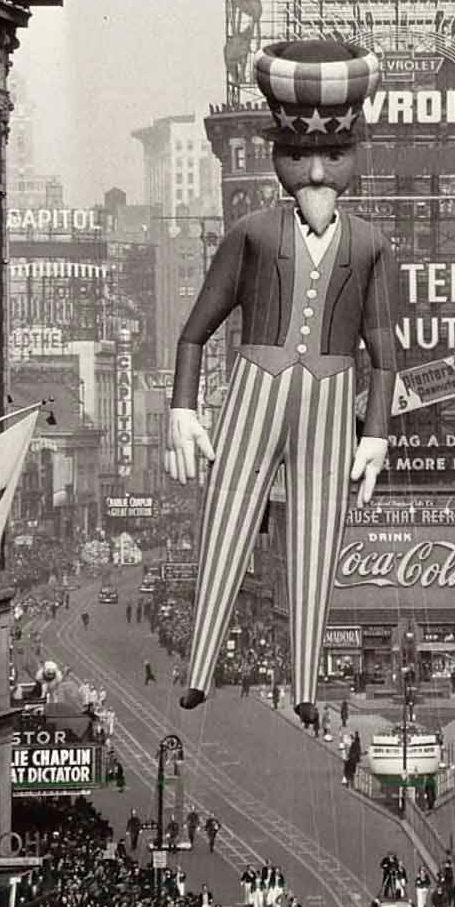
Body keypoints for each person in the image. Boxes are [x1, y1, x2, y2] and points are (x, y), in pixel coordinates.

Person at [167, 41, 398, 727]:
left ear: (356, 152)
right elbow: (195, 330)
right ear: (279, 154)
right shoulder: (252, 233)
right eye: (298, 155)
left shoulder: (370, 244)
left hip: (331, 393)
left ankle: (305, 683)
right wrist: (182, 407)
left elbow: (385, 353)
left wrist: (376, 434)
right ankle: (199, 668)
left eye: (334, 154)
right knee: (226, 517)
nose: (317, 171)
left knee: (319, 530)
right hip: (255, 385)